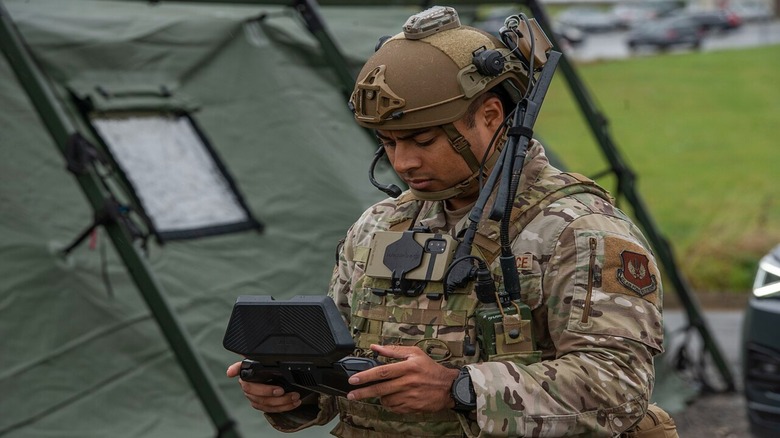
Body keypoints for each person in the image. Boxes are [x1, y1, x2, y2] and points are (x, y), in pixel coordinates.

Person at [228, 5, 673, 437]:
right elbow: (345, 369)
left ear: (490, 117)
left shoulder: (577, 230)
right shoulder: (378, 226)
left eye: (423, 140)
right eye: (388, 143)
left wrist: (460, 389)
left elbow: (618, 388)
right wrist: (296, 390)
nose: (403, 162)